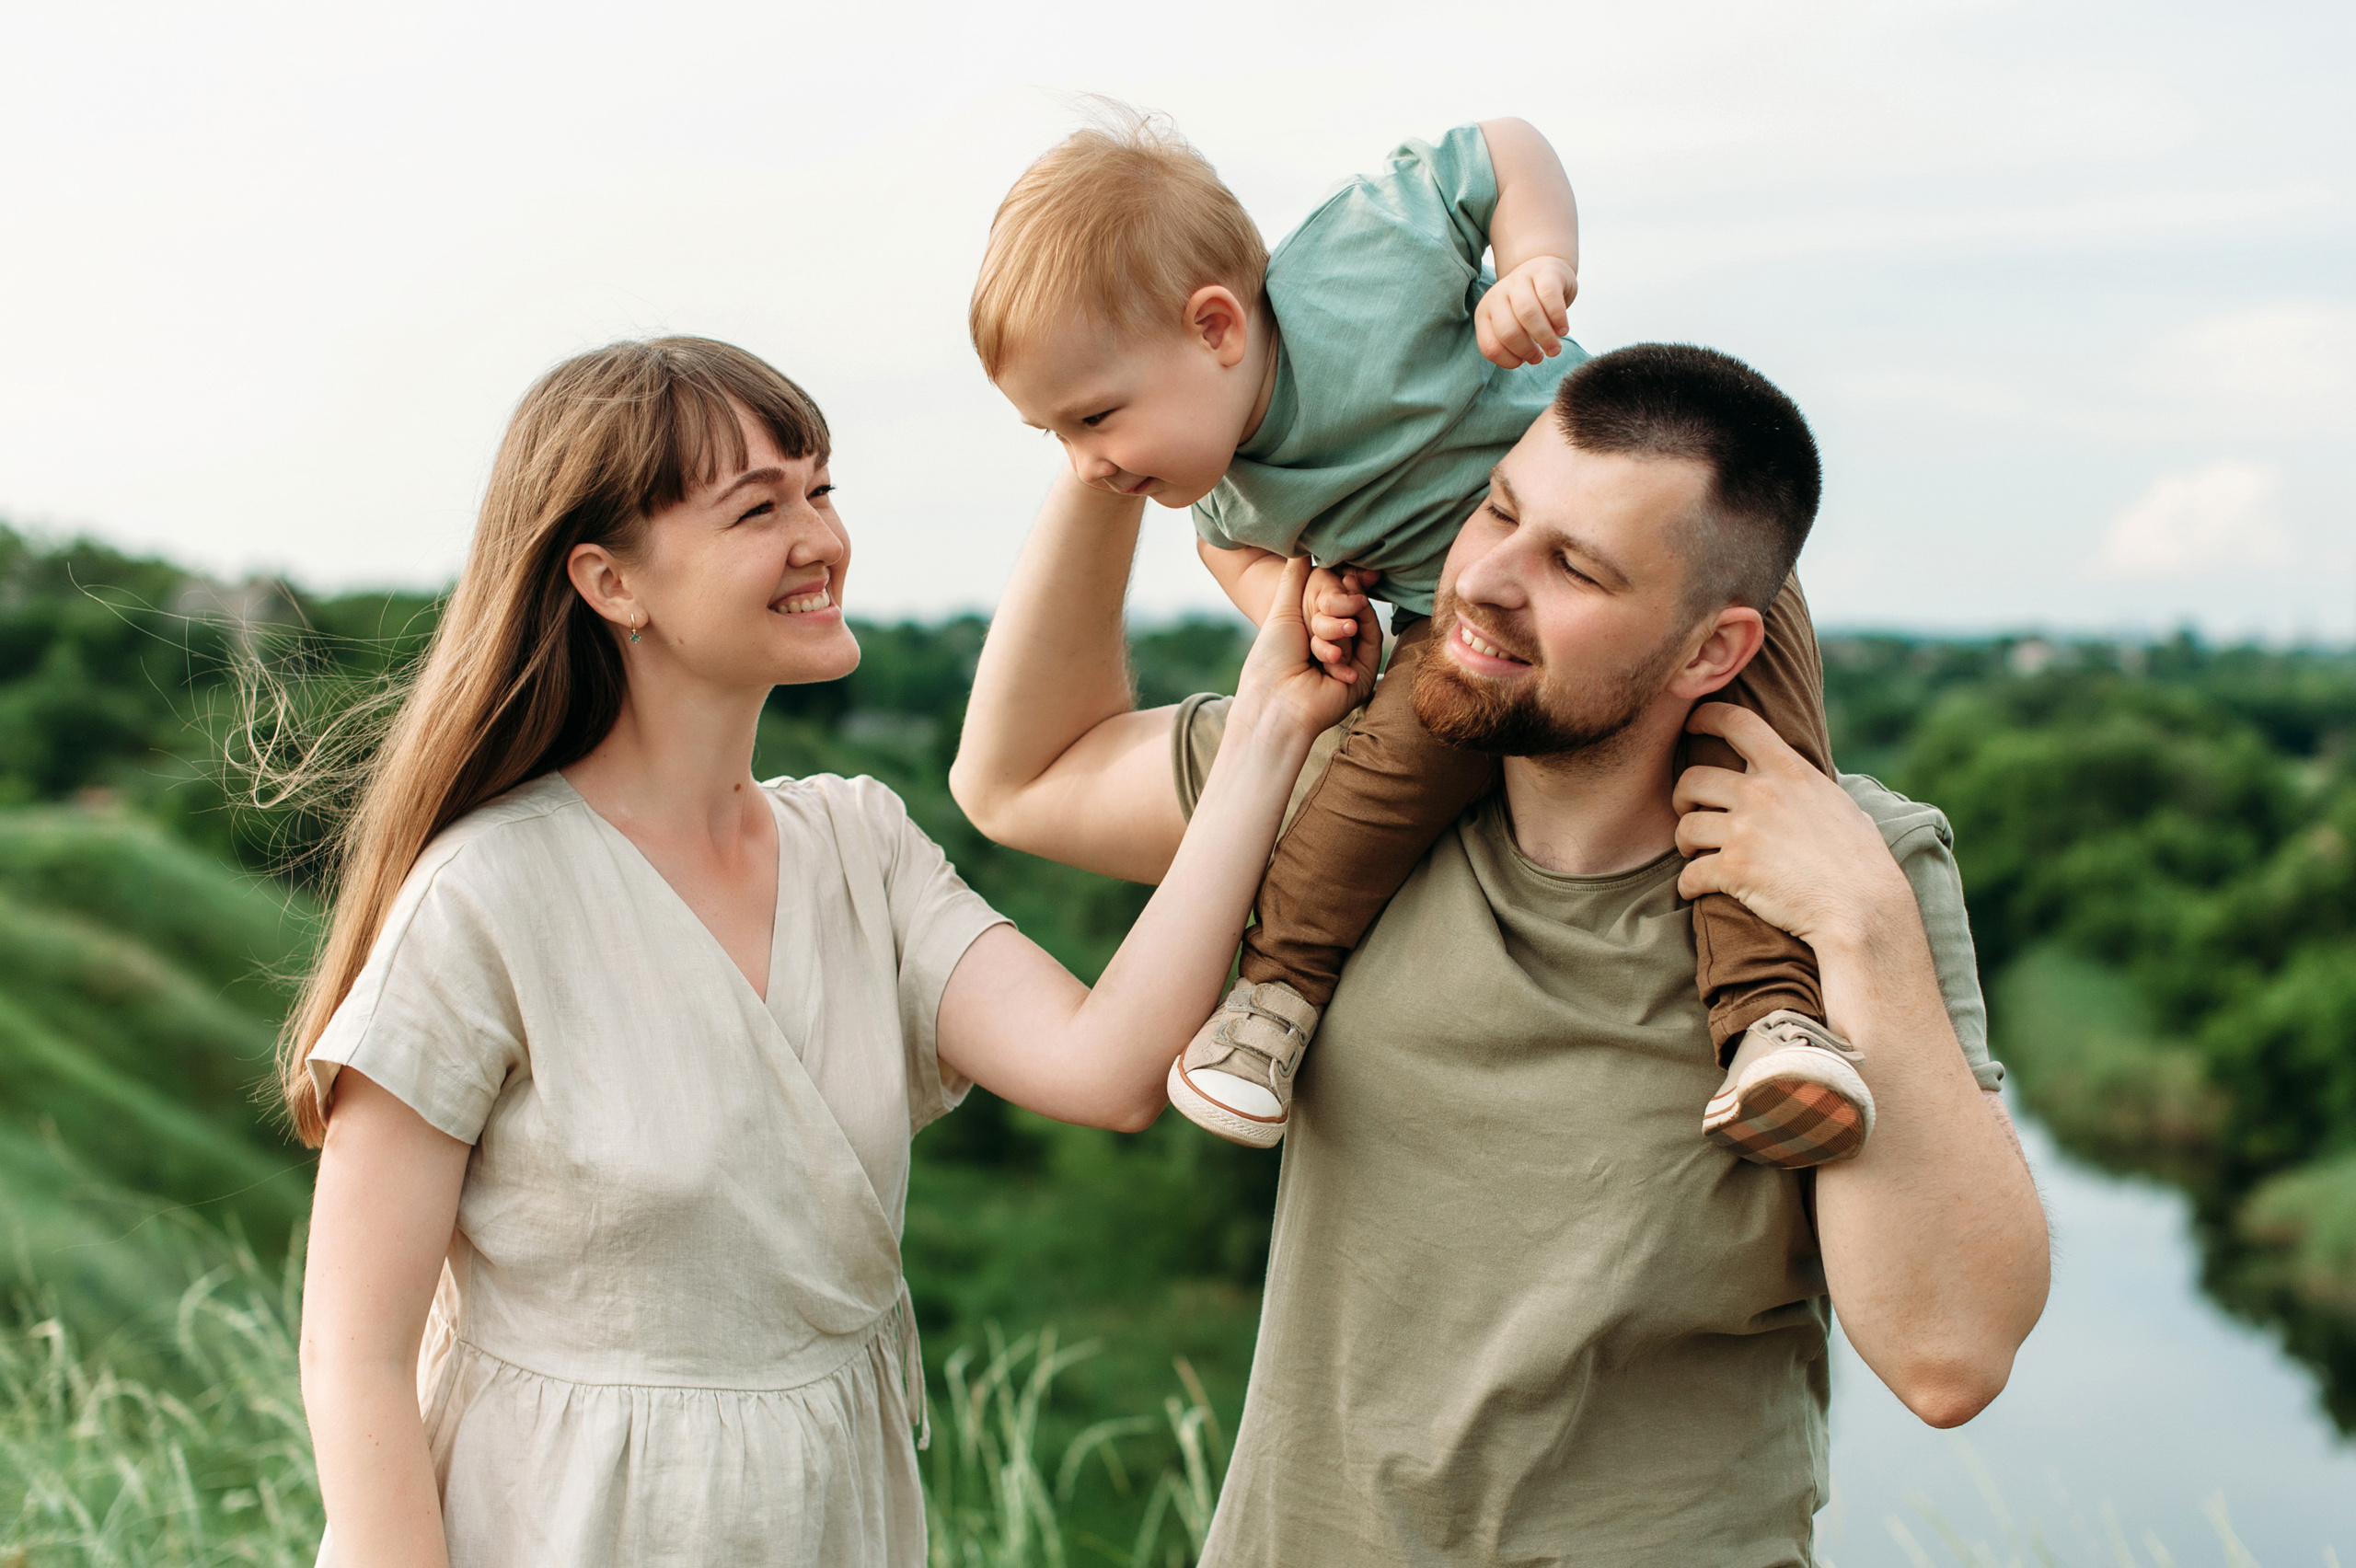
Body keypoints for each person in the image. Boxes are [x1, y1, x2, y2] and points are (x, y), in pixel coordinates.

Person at [951, 344, 2052, 1564]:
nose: (1485, 581)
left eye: (1575, 567)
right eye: (1499, 512)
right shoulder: (1347, 784)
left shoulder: (1851, 872)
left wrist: (1865, 928)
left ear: (1713, 652)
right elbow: (1020, 779)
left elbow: (1949, 1359)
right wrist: (1104, 437)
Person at [286, 337, 1376, 1568]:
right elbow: (354, 1358)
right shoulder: (485, 894)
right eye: (760, 508)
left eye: (822, 490)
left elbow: (1109, 1067)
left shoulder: (861, 845)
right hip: (559, 1524)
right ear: (610, 582)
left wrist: (1272, 729)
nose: (821, 540)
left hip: (826, 1522)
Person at [970, 110, 1862, 1165]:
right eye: (1054, 435)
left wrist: (1536, 263)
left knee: (1753, 787)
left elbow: (1503, 149)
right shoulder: (1220, 489)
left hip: (1673, 574)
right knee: (1371, 785)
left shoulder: (1357, 264)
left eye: (1094, 419)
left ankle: (1770, 1022)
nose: (1083, 465)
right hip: (1456, 651)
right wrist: (1286, 609)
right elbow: (1231, 556)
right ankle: (1271, 1003)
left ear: (1216, 328)